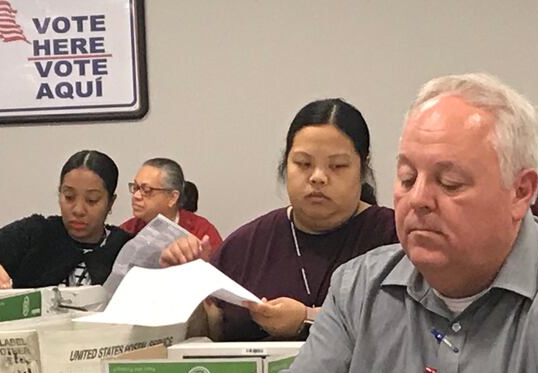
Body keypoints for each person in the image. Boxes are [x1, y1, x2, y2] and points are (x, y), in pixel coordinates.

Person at [192, 74, 538, 373]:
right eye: (407, 176)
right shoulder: (359, 285)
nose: (418, 199)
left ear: (521, 192)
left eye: (449, 183)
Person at [161, 98, 397, 341]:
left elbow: (406, 324)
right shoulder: (245, 245)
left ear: (362, 167)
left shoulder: (394, 238)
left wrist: (308, 317)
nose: (318, 177)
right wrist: (188, 284)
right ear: (286, 163)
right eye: (303, 163)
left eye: (337, 166)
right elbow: (212, 335)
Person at [0, 150, 131, 289]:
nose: (78, 210)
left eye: (92, 200)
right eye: (69, 196)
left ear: (110, 203)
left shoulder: (125, 247)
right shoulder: (36, 232)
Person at [120, 158, 223, 252]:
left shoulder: (202, 233)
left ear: (173, 198)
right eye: (135, 187)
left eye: (147, 190)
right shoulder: (126, 231)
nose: (136, 196)